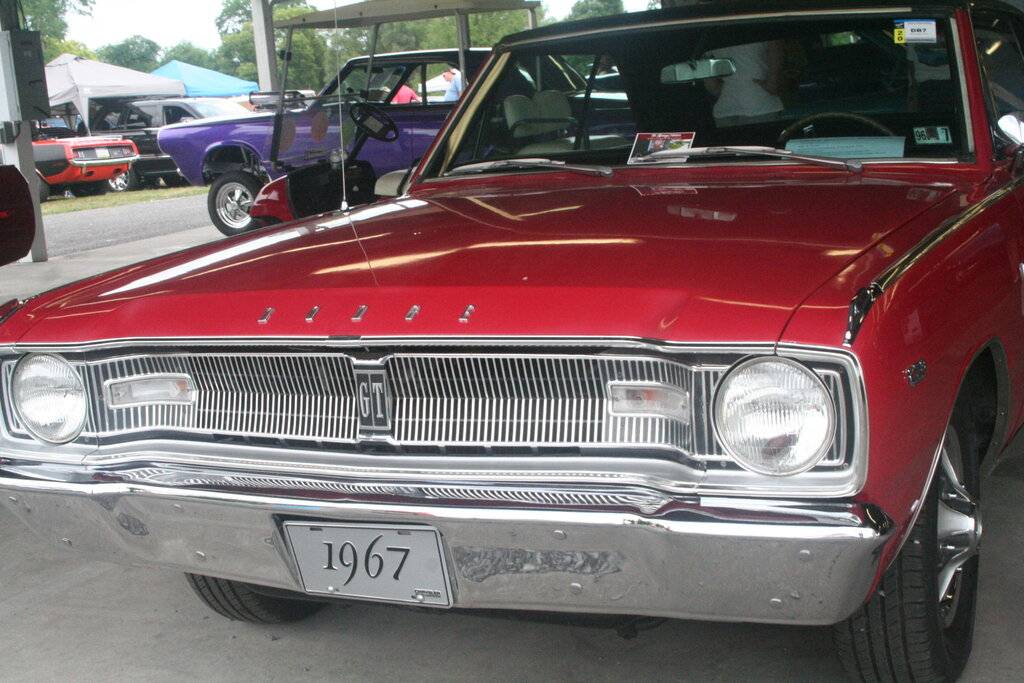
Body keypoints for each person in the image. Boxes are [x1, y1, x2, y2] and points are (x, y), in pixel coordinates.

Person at [705, 41, 785, 125]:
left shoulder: (710, 36)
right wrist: (773, 81)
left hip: (725, 106)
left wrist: (723, 89)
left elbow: (711, 84)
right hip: (760, 103)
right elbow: (776, 47)